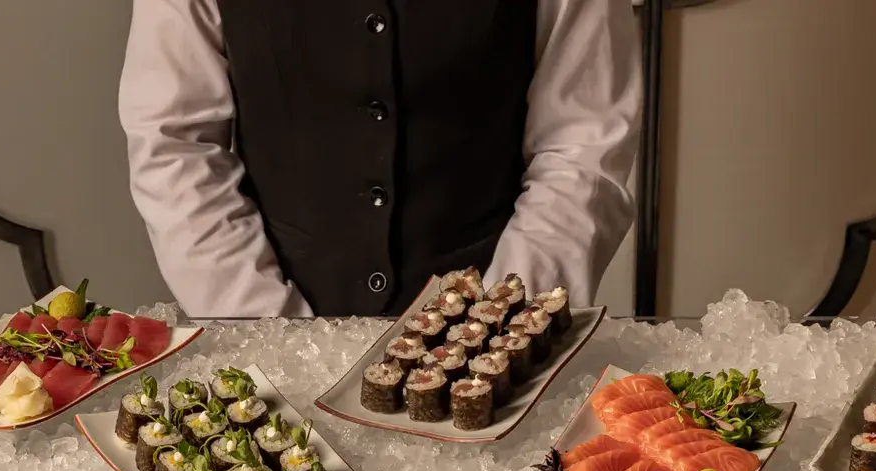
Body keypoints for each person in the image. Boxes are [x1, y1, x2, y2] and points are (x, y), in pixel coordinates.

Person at [119, 0, 642, 318]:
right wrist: (267, 326)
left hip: (499, 320)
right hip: (269, 319)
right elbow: (176, 145)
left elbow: (584, 144)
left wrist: (499, 323)